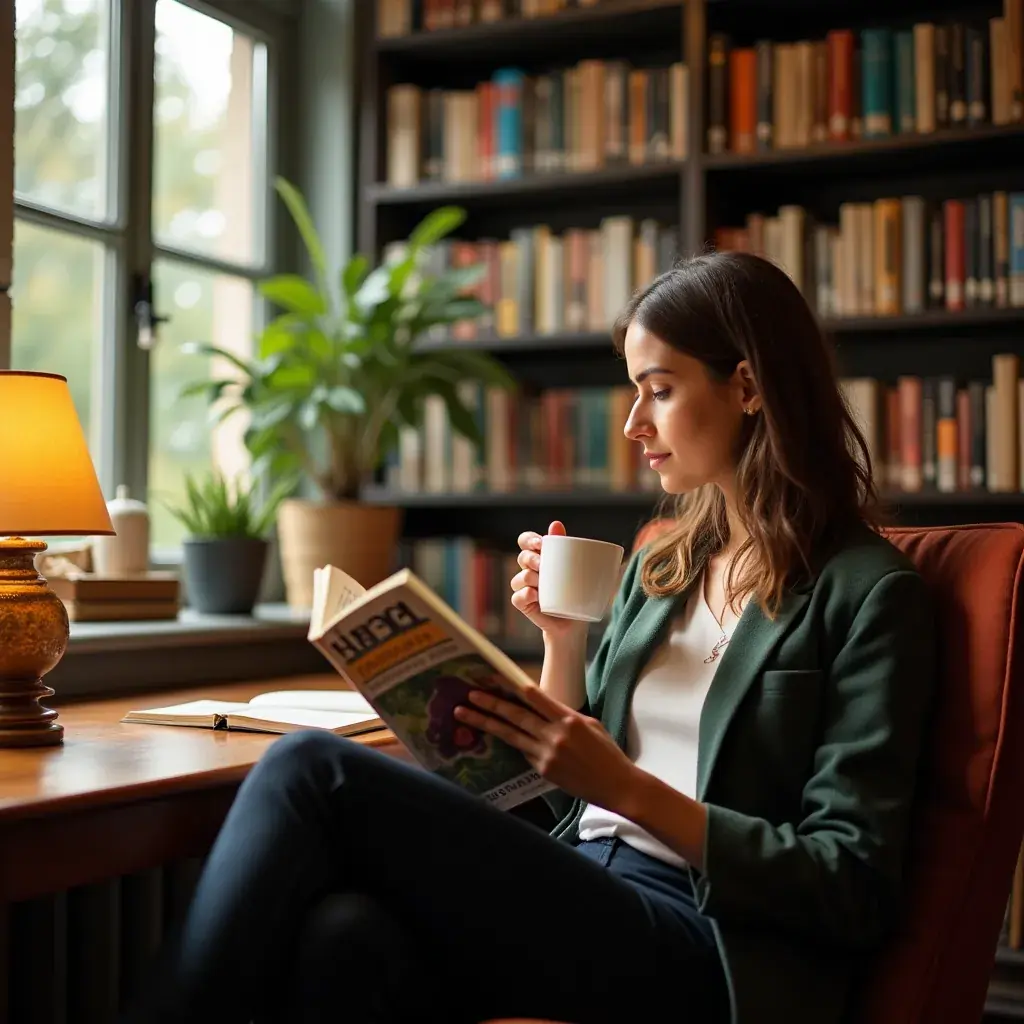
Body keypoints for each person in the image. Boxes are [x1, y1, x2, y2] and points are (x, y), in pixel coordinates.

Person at [124, 250, 936, 1024]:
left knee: (310, 769)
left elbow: (850, 882)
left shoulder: (869, 596)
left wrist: (626, 790)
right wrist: (562, 641)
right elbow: (559, 798)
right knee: (343, 935)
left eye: (657, 390)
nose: (632, 425)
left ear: (748, 386)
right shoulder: (665, 570)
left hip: (711, 944)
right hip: (587, 877)